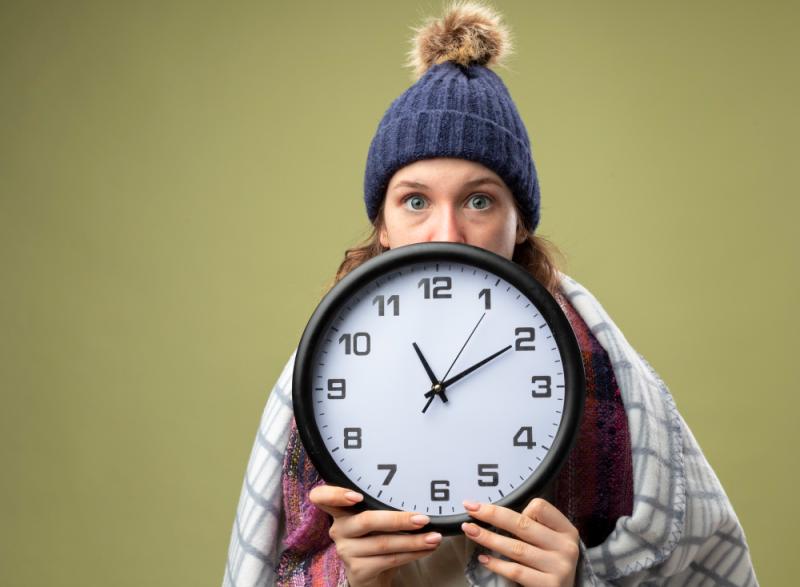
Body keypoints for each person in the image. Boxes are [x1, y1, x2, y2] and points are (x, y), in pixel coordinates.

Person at [223, 3, 757, 586]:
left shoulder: (601, 367)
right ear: (382, 222)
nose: (446, 231)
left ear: (519, 221)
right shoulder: (324, 368)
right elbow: (286, 567)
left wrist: (577, 578)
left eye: (479, 200)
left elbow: (692, 564)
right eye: (416, 201)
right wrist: (350, 576)